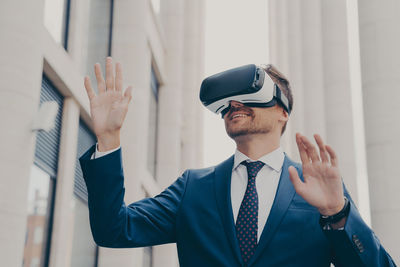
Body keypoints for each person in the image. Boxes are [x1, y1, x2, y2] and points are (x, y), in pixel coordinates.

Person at [79, 57, 396, 266]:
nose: (234, 104)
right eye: (227, 100)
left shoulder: (320, 190)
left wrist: (337, 213)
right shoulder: (193, 187)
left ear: (282, 111)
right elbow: (114, 230)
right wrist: (108, 139)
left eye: (249, 95)